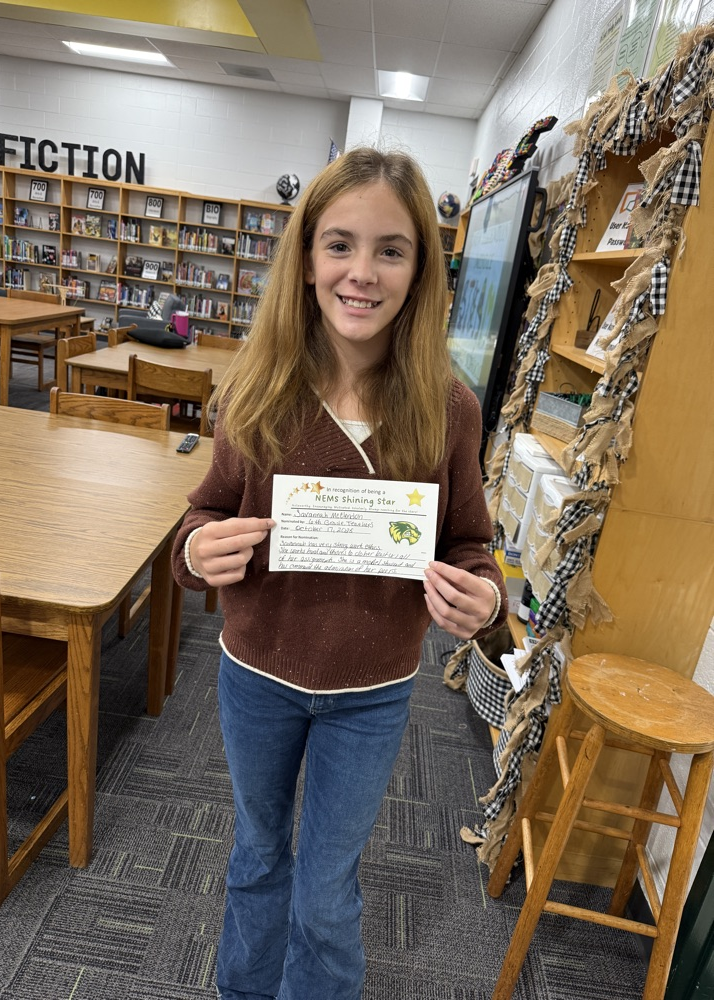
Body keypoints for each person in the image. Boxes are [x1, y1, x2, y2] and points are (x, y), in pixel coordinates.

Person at [171, 146, 508, 1000]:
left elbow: (471, 541)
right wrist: (194, 551)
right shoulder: (259, 389)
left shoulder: (448, 407)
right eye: (339, 245)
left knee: (326, 889)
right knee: (256, 855)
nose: (362, 272)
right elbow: (204, 512)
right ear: (308, 259)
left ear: (420, 270)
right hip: (257, 674)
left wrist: (483, 593)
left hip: (374, 688)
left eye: (390, 249)